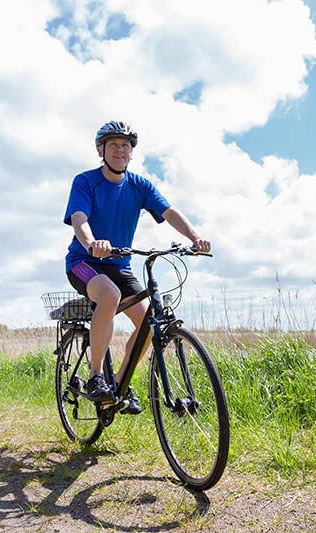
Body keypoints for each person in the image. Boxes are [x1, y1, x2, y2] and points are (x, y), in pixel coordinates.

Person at [63, 120, 211, 414]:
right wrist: (92, 242)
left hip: (120, 266)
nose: (120, 149)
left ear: (131, 153)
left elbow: (168, 212)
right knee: (109, 296)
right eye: (113, 144)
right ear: (100, 150)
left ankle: (118, 384)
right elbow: (79, 217)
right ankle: (95, 378)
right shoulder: (86, 181)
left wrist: (194, 237)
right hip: (84, 262)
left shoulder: (139, 185)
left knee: (147, 325)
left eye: (125, 146)